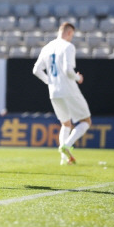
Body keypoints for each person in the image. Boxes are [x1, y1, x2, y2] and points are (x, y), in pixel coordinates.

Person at [33, 22, 93, 165]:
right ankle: (67, 144)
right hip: (68, 89)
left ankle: (64, 158)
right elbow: (67, 70)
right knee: (86, 121)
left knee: (65, 124)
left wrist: (49, 81)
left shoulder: (47, 47)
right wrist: (78, 78)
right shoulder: (68, 46)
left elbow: (36, 70)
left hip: (54, 91)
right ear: (69, 33)